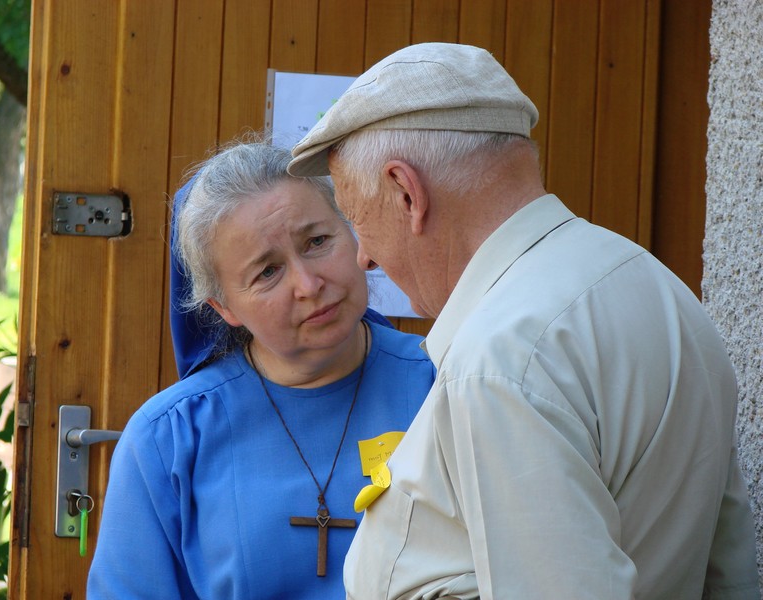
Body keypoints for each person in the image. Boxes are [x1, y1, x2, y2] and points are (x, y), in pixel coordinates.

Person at [287, 43, 760, 599]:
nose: (364, 256)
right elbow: (729, 570)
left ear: (406, 192)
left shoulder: (500, 356)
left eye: (358, 218)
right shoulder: (656, 285)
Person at [87, 141, 435, 599]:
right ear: (223, 307)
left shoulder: (444, 381)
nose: (308, 285)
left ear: (355, 234)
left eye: (317, 242)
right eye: (268, 272)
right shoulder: (167, 440)